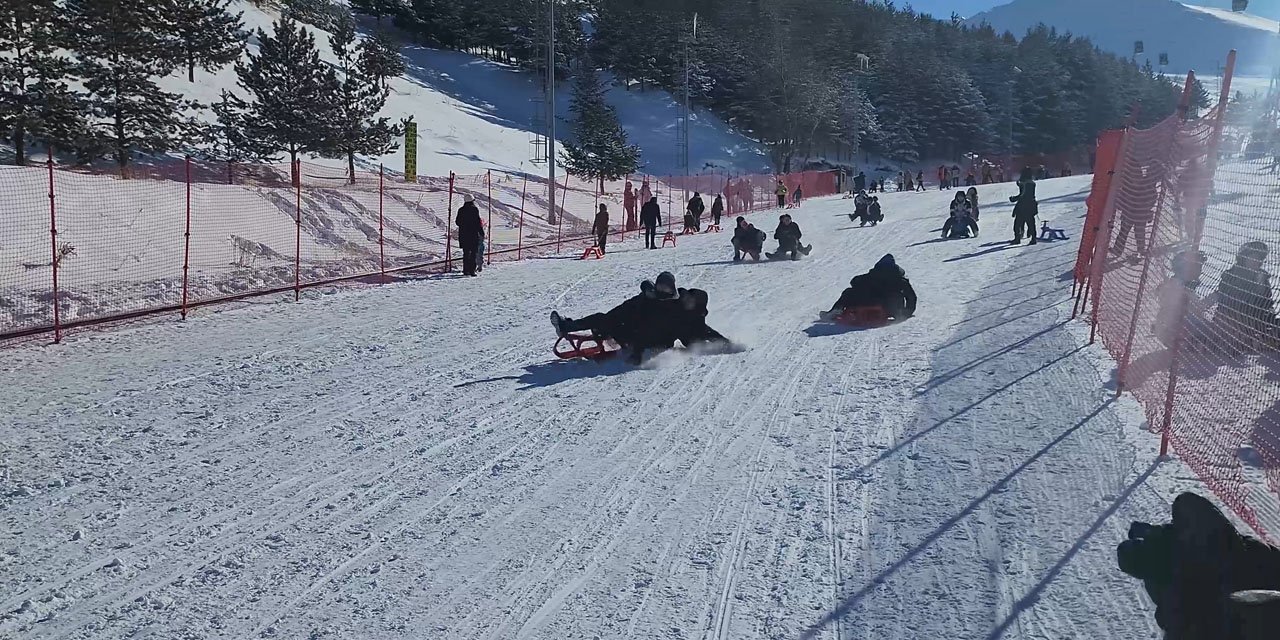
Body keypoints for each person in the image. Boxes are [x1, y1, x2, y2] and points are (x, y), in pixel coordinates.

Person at [1117, 492, 1280, 640]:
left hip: (1263, 570)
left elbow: (1195, 510)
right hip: (1257, 602)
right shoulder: (1172, 597)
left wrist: (1164, 533)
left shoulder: (1186, 539)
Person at [1214, 241, 1279, 352]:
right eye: (1253, 258)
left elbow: (1267, 303)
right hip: (1233, 320)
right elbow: (1227, 303)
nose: (1257, 262)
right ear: (1244, 258)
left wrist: (1269, 316)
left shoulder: (1262, 277)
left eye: (1260, 259)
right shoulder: (1231, 276)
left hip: (1258, 320)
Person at [821, 253, 917, 322]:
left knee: (849, 292)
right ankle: (899, 314)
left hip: (866, 303)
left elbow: (854, 282)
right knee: (898, 294)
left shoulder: (872, 275)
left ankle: (837, 309)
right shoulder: (900, 280)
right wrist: (907, 312)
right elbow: (911, 296)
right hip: (890, 308)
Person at [455, 194, 484, 277]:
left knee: (466, 253)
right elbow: (478, 222)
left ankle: (465, 270)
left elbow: (457, 222)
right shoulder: (474, 209)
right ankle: (472, 270)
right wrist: (481, 232)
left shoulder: (461, 210)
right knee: (473, 253)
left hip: (463, 235)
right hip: (473, 235)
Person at [1009, 166, 1038, 245]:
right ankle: (1033, 238)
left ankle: (1017, 238)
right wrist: (1019, 185)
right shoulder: (1032, 183)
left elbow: (1023, 194)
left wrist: (1013, 199)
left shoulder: (1025, 183)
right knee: (1031, 223)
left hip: (1023, 206)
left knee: (1017, 224)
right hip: (1031, 205)